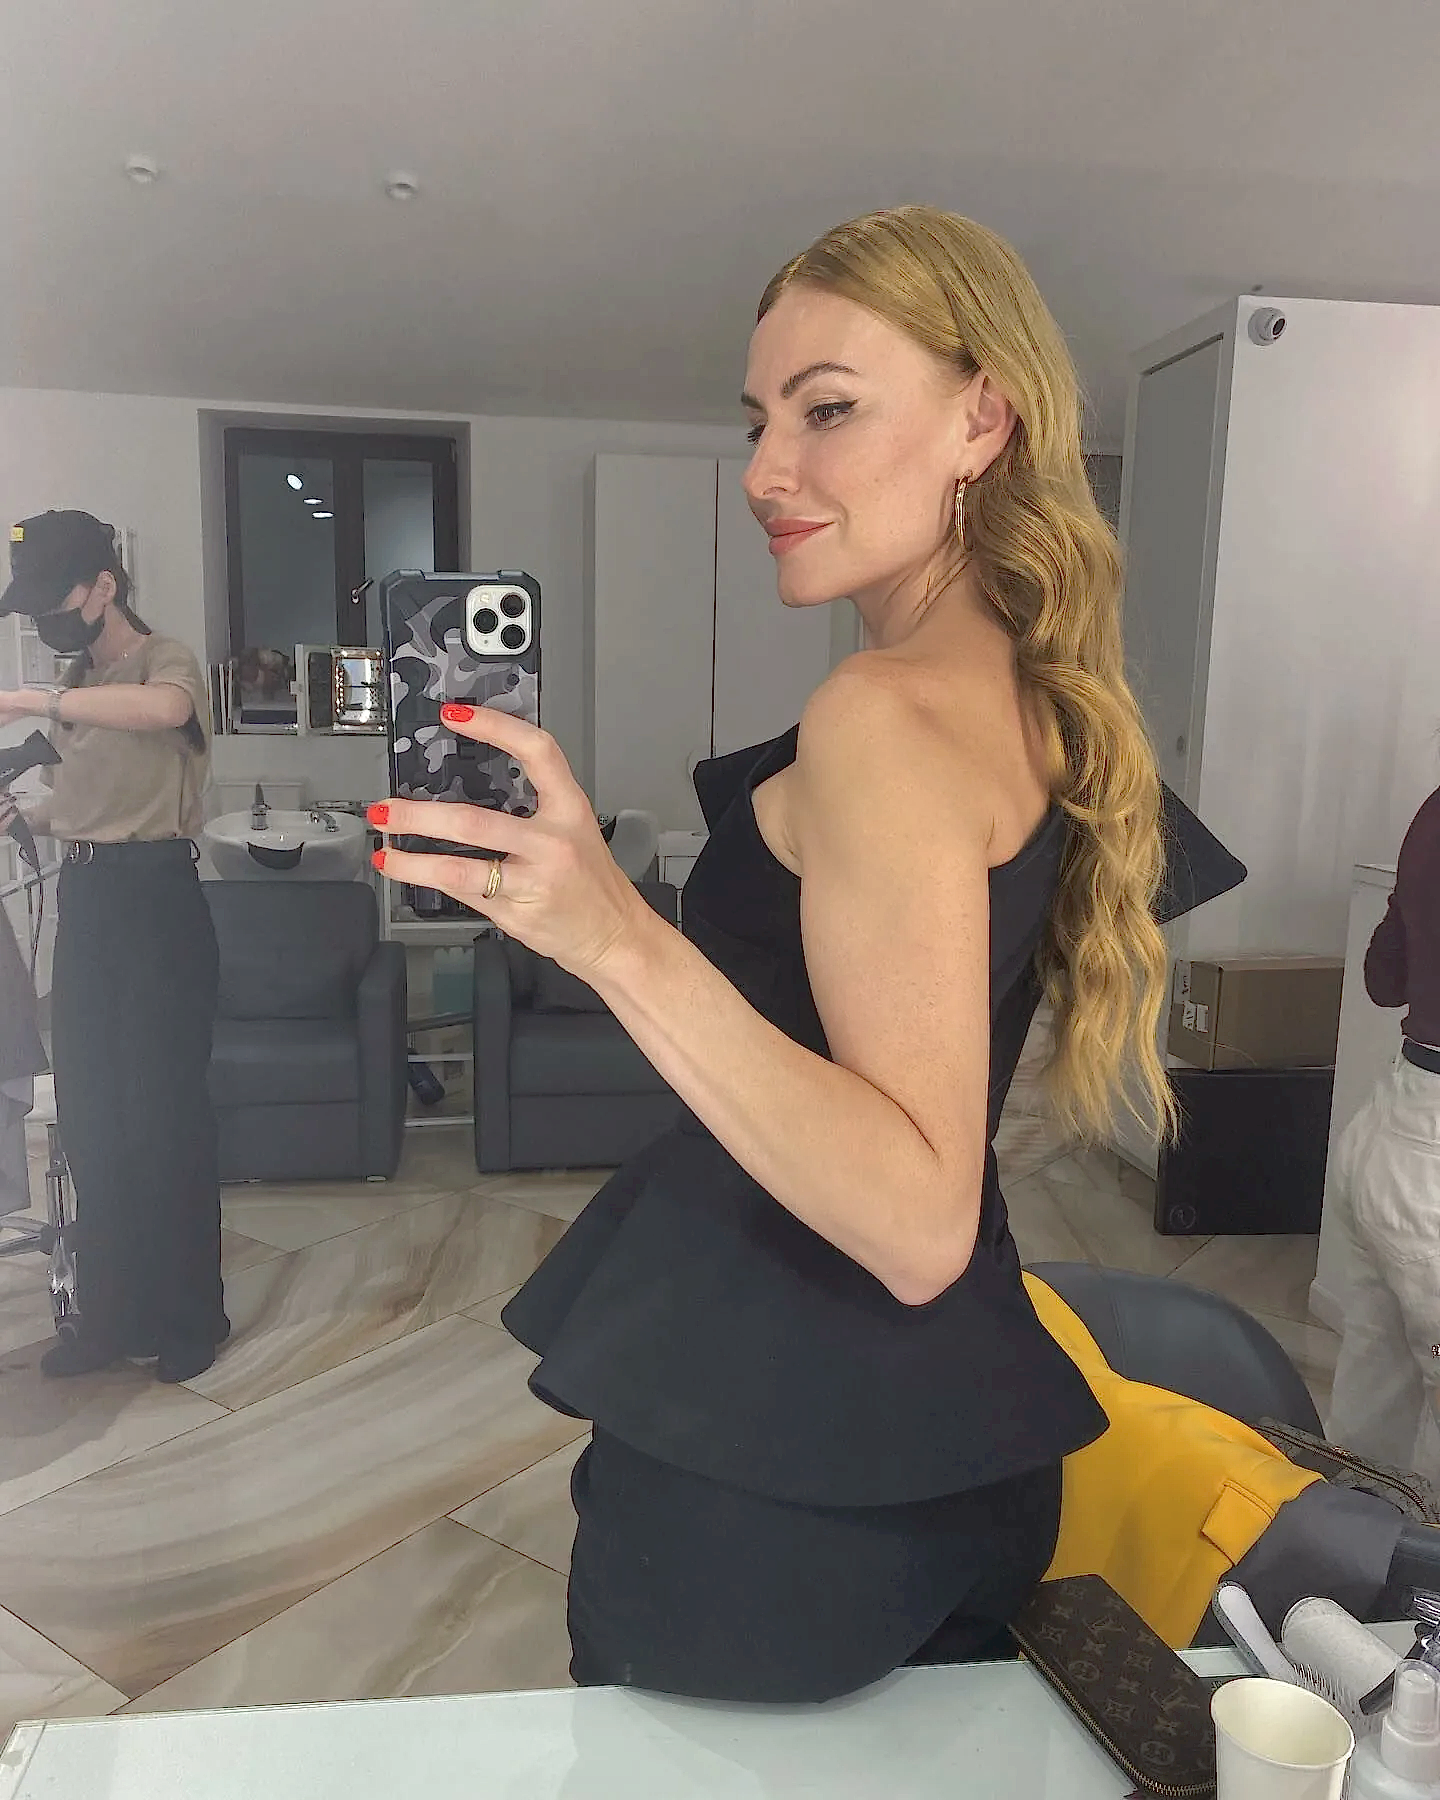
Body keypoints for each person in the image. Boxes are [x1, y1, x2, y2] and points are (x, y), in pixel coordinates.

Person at [367, 206, 1217, 1702]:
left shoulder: (879, 717)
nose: (769, 471)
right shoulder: (1035, 704)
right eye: (760, 420)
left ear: (982, 421)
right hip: (941, 1441)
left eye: (828, 410)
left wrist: (616, 934)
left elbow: (914, 1217)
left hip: (774, 1479)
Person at [0, 510, 229, 1382]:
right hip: (89, 897)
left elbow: (166, 711)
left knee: (164, 1117)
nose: (43, 622)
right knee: (94, 1115)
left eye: (54, 602)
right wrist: (24, 814)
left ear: (104, 586)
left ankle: (189, 1318)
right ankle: (110, 1318)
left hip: (158, 900)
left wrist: (32, 700)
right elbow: (83, 804)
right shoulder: (76, 682)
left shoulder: (163, 661)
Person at [1326, 777, 1440, 1479]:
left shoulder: (1433, 808)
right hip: (1429, 1175)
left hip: (1395, 1133)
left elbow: (1383, 978)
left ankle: (1342, 1543)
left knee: (1371, 1419)